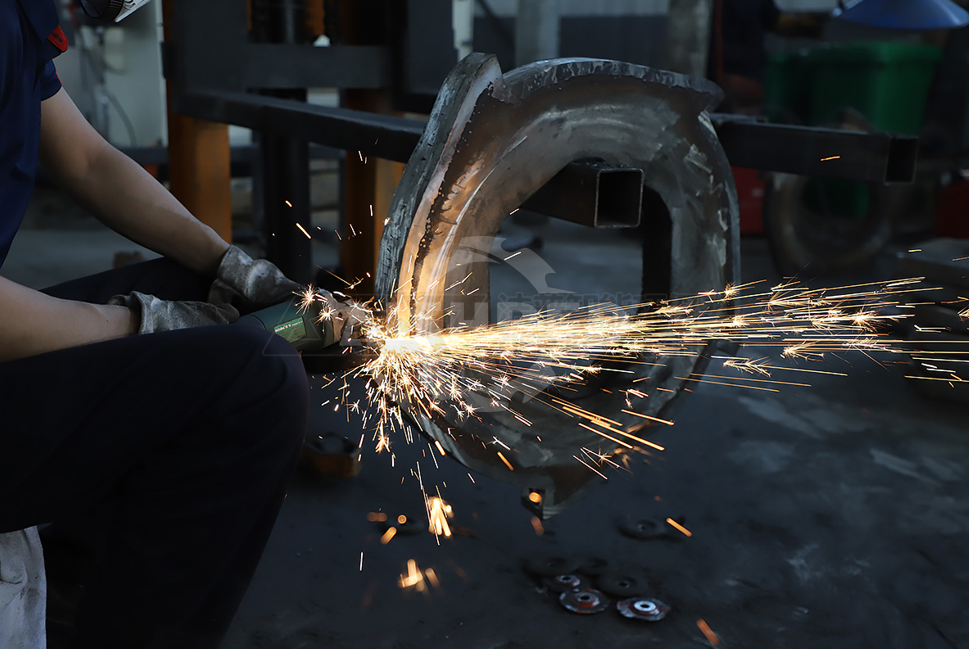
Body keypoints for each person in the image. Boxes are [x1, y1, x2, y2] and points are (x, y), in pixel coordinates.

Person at [0, 0, 338, 646]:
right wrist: (141, 326)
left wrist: (231, 265)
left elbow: (88, 161)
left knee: (199, 290)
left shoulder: (20, 20)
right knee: (253, 381)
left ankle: (79, 585)